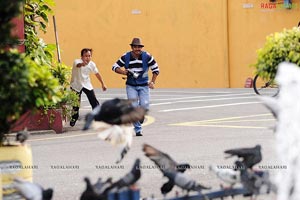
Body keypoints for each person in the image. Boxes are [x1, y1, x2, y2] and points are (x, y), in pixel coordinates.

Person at [112, 38, 160, 136]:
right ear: (132, 47)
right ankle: (138, 129)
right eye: (135, 47)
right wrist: (123, 72)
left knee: (144, 106)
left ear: (142, 48)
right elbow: (114, 66)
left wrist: (152, 82)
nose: (137, 49)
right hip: (131, 86)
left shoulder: (147, 56)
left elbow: (156, 69)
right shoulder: (126, 56)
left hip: (144, 86)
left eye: (139, 47)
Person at [70, 48, 107, 127]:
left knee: (94, 101)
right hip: (76, 84)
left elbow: (97, 74)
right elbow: (78, 65)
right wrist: (82, 64)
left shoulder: (92, 64)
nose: (88, 58)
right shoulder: (76, 61)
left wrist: (103, 84)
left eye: (89, 56)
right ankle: (74, 118)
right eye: (86, 56)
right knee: (76, 104)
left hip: (86, 84)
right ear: (82, 56)